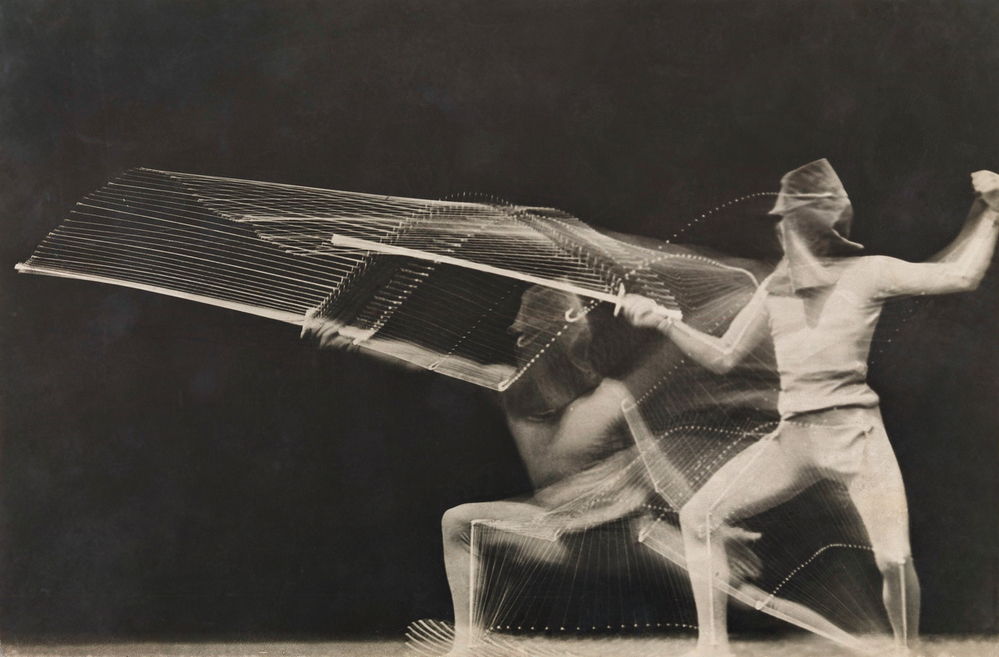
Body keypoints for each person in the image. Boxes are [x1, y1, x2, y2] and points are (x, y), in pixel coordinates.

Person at [622, 160, 999, 656]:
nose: (781, 228)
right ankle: (712, 648)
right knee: (699, 515)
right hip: (793, 439)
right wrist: (665, 323)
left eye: (790, 219)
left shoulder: (870, 273)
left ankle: (907, 653)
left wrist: (991, 213)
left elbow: (962, 274)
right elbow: (724, 357)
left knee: (894, 559)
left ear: (815, 223)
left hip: (856, 438)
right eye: (780, 220)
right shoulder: (778, 285)